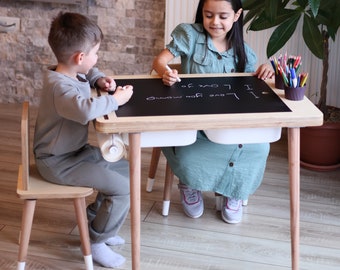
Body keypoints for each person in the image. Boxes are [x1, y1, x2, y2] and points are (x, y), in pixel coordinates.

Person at [152, 0, 274, 224]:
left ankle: (234, 191)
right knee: (189, 154)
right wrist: (165, 72)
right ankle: (189, 184)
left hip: (227, 124)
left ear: (237, 15)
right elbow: (160, 60)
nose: (214, 22)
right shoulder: (189, 34)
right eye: (208, 15)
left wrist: (264, 72)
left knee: (259, 148)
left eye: (223, 17)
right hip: (193, 122)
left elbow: (249, 86)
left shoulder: (244, 52)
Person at [33, 12, 133, 268]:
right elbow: (85, 109)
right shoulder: (60, 88)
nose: (96, 58)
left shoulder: (66, 72)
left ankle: (95, 220)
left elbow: (84, 75)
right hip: (57, 162)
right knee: (122, 189)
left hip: (73, 152)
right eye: (95, 53)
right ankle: (96, 241)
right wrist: (116, 100)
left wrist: (98, 78)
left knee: (124, 168)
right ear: (80, 57)